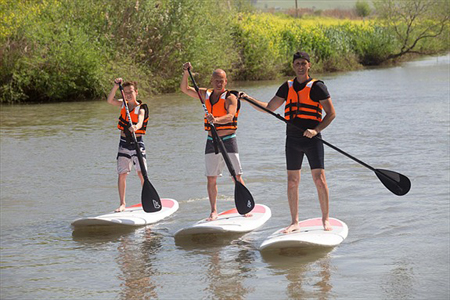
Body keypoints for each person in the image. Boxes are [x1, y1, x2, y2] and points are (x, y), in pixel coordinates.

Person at [240, 51, 336, 232]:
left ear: (309, 65)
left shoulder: (317, 87)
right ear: (293, 66)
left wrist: (316, 130)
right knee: (292, 181)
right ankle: (295, 222)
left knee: (319, 180)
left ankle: (326, 220)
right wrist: (248, 98)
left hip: (312, 140)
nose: (300, 66)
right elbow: (269, 108)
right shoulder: (287, 86)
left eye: (303, 63)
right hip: (292, 140)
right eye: (297, 63)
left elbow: (331, 113)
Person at [180, 62, 247, 221]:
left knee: (236, 176)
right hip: (212, 141)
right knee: (211, 177)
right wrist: (185, 73)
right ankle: (213, 211)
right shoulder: (206, 94)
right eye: (216, 80)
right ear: (211, 81)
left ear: (226, 82)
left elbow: (230, 116)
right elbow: (185, 89)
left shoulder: (230, 97)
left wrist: (216, 120)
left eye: (221, 80)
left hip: (228, 140)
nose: (219, 83)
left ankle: (244, 207)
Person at [106, 78, 149, 212]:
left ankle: (146, 201)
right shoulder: (123, 104)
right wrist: (115, 86)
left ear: (136, 92)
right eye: (126, 93)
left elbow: (141, 121)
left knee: (142, 173)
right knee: (122, 174)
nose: (128, 95)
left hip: (137, 143)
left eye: (131, 92)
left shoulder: (140, 108)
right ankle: (122, 204)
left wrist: (136, 126)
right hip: (124, 143)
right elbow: (109, 100)